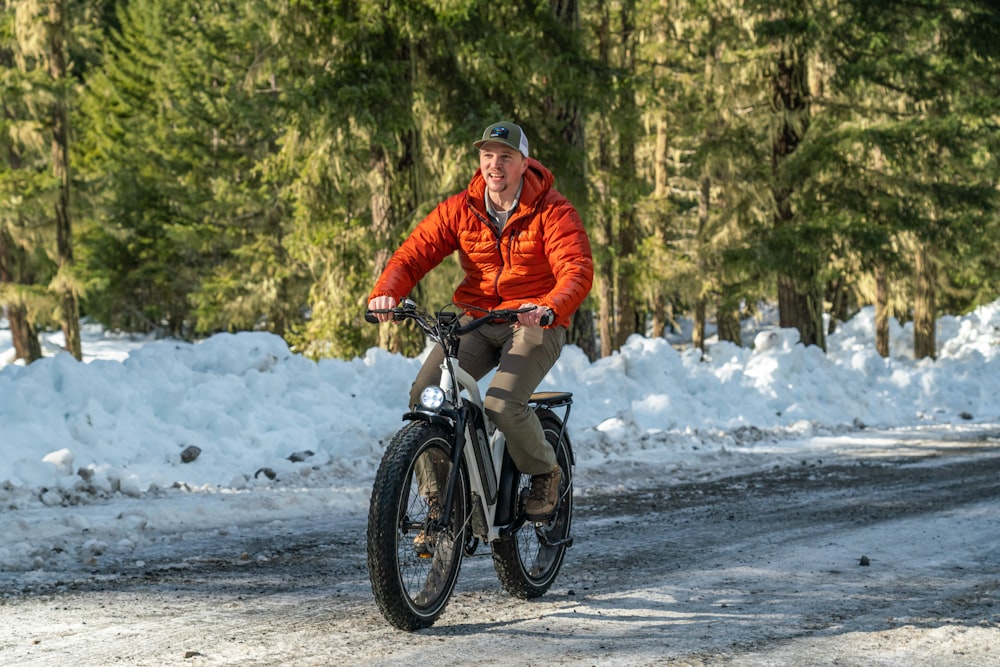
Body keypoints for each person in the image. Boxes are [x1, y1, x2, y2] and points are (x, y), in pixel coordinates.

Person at [367, 120, 593, 528]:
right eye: (488, 156)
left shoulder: (553, 211)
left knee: (502, 403)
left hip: (534, 321)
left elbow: (576, 270)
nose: (495, 165)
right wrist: (388, 291)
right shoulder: (462, 208)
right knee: (426, 394)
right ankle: (441, 502)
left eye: (505, 157)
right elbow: (413, 254)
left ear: (524, 164)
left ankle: (546, 471)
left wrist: (548, 307)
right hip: (477, 318)